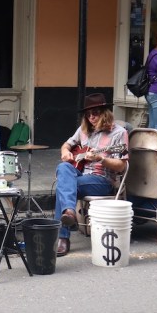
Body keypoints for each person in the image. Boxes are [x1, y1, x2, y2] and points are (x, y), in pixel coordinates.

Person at [54, 93, 129, 257]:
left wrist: (101, 159)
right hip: (81, 174)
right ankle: (69, 212)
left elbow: (121, 165)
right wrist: (65, 151)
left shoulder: (119, 133)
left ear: (105, 113)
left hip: (102, 180)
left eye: (95, 113)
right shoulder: (84, 129)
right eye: (87, 115)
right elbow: (67, 144)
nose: (91, 117)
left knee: (63, 186)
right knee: (63, 167)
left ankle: (63, 237)